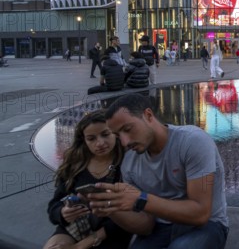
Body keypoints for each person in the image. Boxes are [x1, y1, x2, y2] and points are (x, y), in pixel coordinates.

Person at [88, 94, 229, 248]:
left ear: (148, 115)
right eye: (117, 135)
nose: (124, 142)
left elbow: (200, 213)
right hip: (160, 228)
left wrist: (141, 199)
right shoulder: (129, 162)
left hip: (207, 226)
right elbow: (146, 227)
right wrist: (113, 209)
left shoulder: (192, 141)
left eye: (128, 129)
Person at [43, 110, 131, 249]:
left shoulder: (128, 163)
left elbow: (132, 218)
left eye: (105, 134)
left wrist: (80, 246)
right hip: (76, 228)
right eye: (91, 138)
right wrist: (63, 213)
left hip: (113, 232)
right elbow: (54, 206)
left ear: (115, 133)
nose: (100, 143)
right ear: (84, 140)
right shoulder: (75, 165)